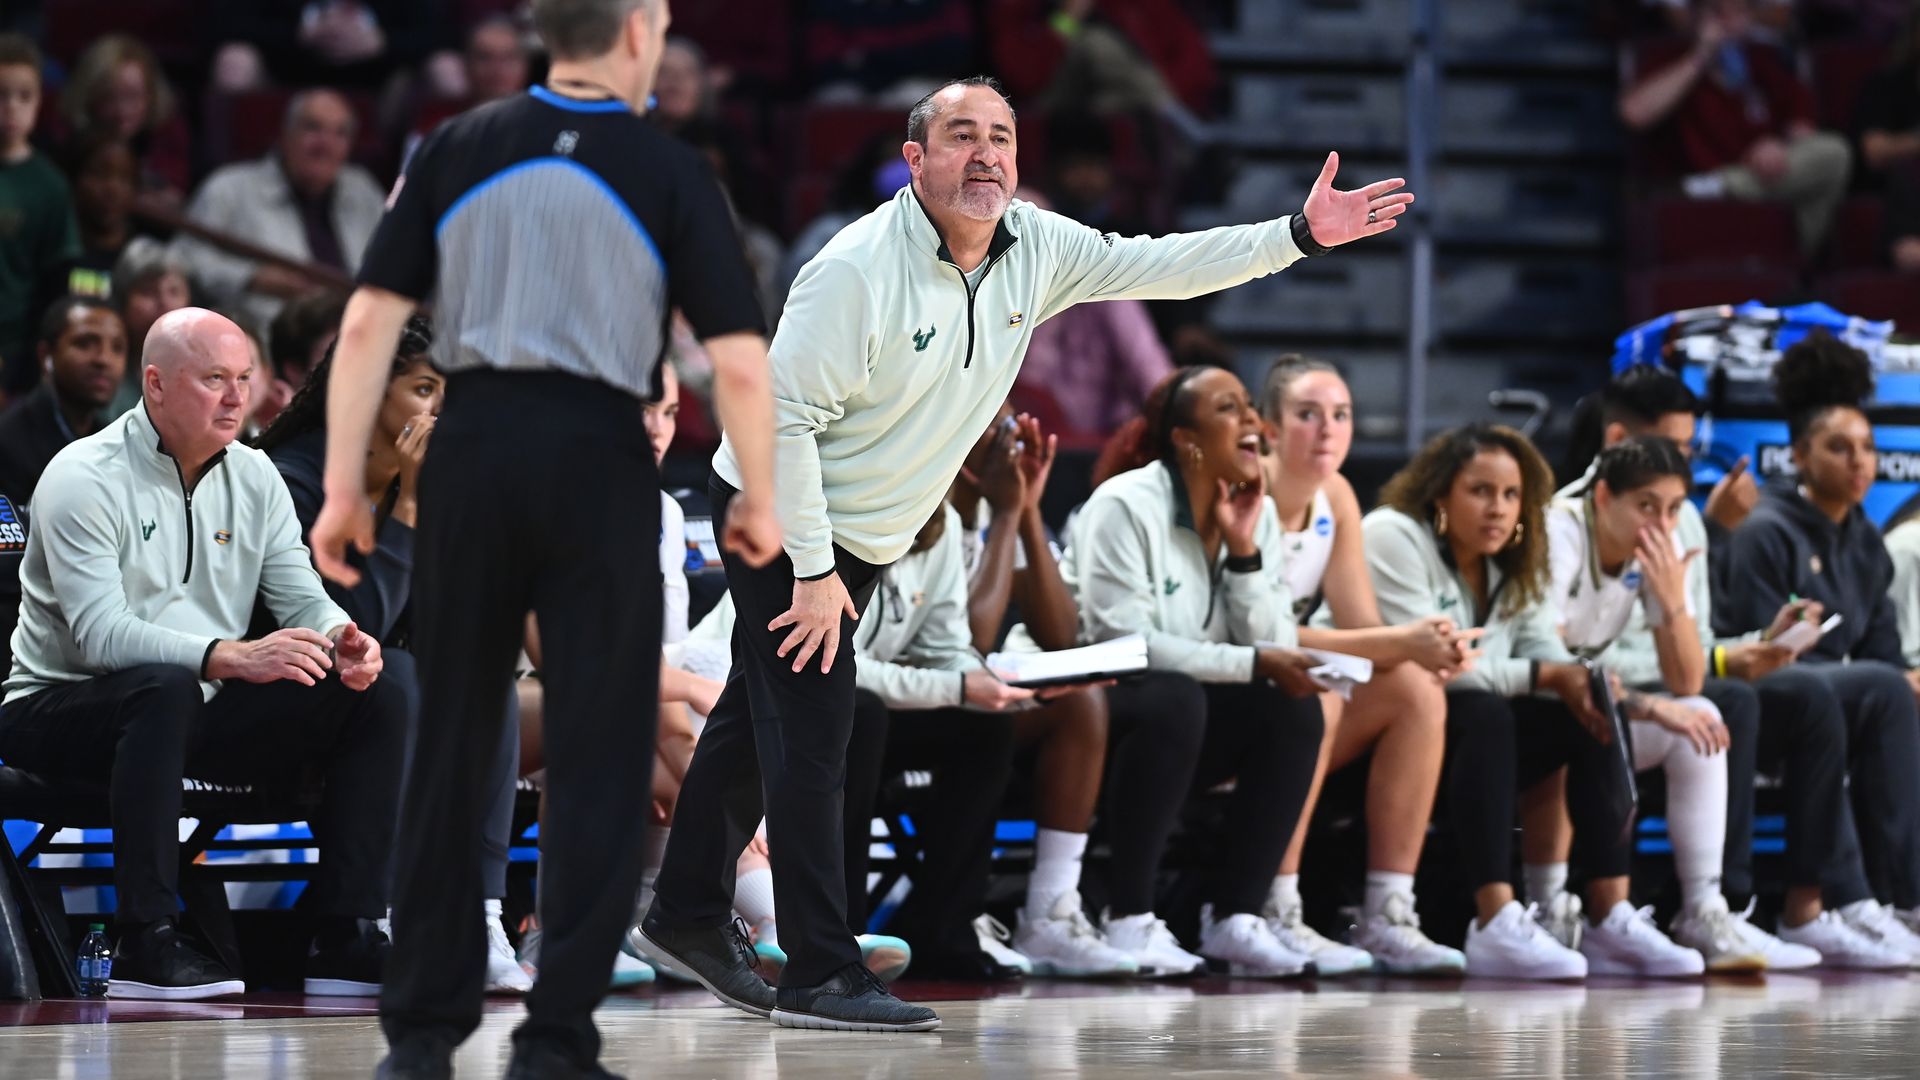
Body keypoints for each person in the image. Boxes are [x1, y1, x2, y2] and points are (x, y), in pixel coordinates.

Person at [636, 72, 1408, 1030]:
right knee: (815, 734)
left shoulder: (1037, 248)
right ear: (915, 161)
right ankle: (819, 971)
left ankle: (686, 913)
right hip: (780, 511)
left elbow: (1162, 264)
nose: (986, 153)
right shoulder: (855, 267)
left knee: (758, 724)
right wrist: (814, 569)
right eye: (960, 136)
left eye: (999, 135)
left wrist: (1295, 235)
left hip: (866, 532)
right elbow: (778, 420)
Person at [309, 0, 782, 1074]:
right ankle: (556, 1036)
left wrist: (345, 486)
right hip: (598, 459)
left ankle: (420, 1038)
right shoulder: (665, 168)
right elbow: (737, 358)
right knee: (602, 752)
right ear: (640, 31)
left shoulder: (457, 145)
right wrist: (759, 492)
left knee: (453, 742)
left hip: (471, 450)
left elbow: (371, 321)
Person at [0, 307, 402, 1000]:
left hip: (187, 710)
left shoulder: (254, 476)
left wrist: (345, 641)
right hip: (55, 708)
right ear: (154, 385)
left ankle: (347, 933)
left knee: (388, 687)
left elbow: (301, 595)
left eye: (244, 377)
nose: (237, 396)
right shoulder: (81, 476)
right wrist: (229, 655)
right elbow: (102, 637)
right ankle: (143, 940)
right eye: (214, 378)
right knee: (163, 686)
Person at [1553, 366, 1878, 969]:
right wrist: (1705, 667)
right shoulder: (1563, 524)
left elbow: (1690, 670)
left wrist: (1722, 631)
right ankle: (1614, 906)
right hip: (1583, 700)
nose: (1686, 462)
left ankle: (1733, 908)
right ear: (1619, 444)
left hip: (1654, 694)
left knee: (1751, 701)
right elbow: (1566, 658)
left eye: (1689, 448)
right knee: (1727, 702)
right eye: (1673, 448)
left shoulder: (1680, 524)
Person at [1058, 365, 1326, 978]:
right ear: (1187, 439)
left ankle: (1234, 916)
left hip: (1189, 717)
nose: (1254, 422)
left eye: (1250, 406)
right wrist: (1254, 661)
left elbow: (1275, 643)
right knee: (1175, 698)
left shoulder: (1253, 510)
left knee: (1292, 708)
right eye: (1231, 409)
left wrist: (1243, 549)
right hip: (1091, 711)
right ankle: (1128, 917)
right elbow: (1124, 644)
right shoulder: (1125, 504)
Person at [1365, 423, 1646, 979]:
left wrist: (1572, 674)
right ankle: (1494, 919)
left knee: (1583, 704)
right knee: (1488, 712)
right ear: (1440, 492)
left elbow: (1543, 645)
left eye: (1512, 495)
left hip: (1461, 735)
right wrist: (1546, 672)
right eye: (1481, 491)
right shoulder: (1393, 534)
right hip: (1380, 729)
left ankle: (1605, 914)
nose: (1499, 509)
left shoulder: (1516, 558)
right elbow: (1436, 665)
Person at [1538, 435, 1803, 970]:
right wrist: (1652, 707)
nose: (1661, 523)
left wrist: (1671, 598)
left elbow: (1686, 680)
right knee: (1615, 717)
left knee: (1702, 718)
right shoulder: (1559, 529)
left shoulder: (1656, 546)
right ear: (1605, 496)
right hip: (1532, 701)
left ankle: (1703, 910)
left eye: (1675, 508)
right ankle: (1555, 909)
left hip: (1592, 706)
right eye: (1646, 506)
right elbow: (1556, 667)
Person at [1257, 356, 1475, 976]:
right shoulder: (1247, 491)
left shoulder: (1338, 497)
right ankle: (1279, 908)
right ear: (1270, 428)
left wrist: (1423, 645)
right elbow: (1260, 633)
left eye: (1341, 415)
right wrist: (1402, 640)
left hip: (1289, 683)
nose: (1327, 430)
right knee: (1320, 692)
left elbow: (1358, 627)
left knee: (1415, 691)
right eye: (1308, 415)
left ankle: (1387, 912)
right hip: (1231, 682)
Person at [1715, 334, 1920, 964]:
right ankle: (1868, 899)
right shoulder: (1765, 531)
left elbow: (1884, 649)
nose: (1861, 462)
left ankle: (1893, 901)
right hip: (1760, 700)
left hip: (1840, 705)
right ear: (1799, 456)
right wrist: (1887, 679)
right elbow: (1763, 651)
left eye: (1868, 448)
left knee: (1895, 689)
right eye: (1840, 448)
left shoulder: (1866, 541)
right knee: (1876, 690)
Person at [950, 410, 1136, 980]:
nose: (1006, 442)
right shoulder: (922, 504)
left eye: (1009, 427)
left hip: (973, 696)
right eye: (989, 425)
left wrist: (1028, 507)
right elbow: (972, 637)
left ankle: (1050, 912)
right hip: (898, 695)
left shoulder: (1003, 503)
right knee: (985, 722)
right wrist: (1007, 514)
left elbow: (1059, 634)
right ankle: (952, 912)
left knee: (1080, 702)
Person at [1618, 0, 1852, 251]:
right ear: (1696, 16)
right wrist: (1700, 57)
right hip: (1688, 195)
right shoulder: (1668, 58)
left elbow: (1803, 131)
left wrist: (1780, 147)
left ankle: (1733, 191)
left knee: (1833, 153)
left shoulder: (1764, 62)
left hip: (1761, 185)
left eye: (1740, 12)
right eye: (1718, 13)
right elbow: (1634, 114)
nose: (1730, 23)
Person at [172, 89, 385, 328]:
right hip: (265, 341)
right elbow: (182, 259)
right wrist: (251, 278)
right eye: (313, 128)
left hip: (355, 337)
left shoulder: (364, 191)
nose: (326, 144)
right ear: (285, 134)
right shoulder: (229, 188)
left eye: (340, 133)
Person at [0, 35, 80, 398]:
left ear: (39, 102)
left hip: (15, 348)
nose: (11, 108)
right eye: (1, 95)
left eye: (24, 96)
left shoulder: (49, 186)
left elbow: (55, 281)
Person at [0, 297, 126, 505]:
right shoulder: (8, 443)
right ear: (46, 355)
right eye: (85, 344)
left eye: (117, 348)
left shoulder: (115, 441)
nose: (104, 359)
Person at [52, 34, 192, 205]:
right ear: (89, 97)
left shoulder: (167, 137)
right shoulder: (64, 145)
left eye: (133, 97)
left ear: (151, 96)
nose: (122, 111)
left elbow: (174, 195)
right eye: (109, 98)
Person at [104, 239, 194, 418]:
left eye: (174, 291)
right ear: (123, 302)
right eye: (148, 292)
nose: (164, 302)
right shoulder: (104, 369)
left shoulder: (201, 371)